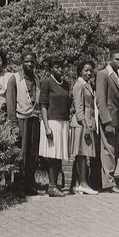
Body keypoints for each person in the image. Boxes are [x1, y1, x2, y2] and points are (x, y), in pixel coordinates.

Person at [5, 51, 41, 195]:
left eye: (32, 62)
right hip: (20, 119)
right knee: (21, 154)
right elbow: (10, 103)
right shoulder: (14, 79)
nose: (29, 64)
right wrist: (13, 124)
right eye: (27, 61)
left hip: (34, 119)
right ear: (22, 62)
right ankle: (18, 186)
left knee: (33, 153)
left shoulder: (37, 79)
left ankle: (29, 184)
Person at [94, 49, 119, 193]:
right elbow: (101, 101)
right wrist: (106, 122)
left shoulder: (117, 75)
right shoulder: (103, 74)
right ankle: (108, 183)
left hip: (116, 119)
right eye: (117, 59)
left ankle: (110, 179)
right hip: (108, 120)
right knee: (108, 151)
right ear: (110, 59)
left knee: (114, 151)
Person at [38, 58, 72, 197]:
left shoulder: (66, 84)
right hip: (51, 122)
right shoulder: (46, 82)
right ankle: (52, 187)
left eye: (61, 67)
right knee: (52, 156)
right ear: (51, 69)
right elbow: (43, 105)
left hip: (63, 123)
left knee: (59, 156)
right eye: (57, 67)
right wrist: (47, 127)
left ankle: (55, 185)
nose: (60, 70)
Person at [69, 61, 98, 195]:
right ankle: (83, 183)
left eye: (90, 71)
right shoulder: (78, 85)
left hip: (88, 123)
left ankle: (77, 184)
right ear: (80, 71)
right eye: (86, 70)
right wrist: (85, 126)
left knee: (83, 154)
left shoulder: (87, 85)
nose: (88, 73)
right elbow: (78, 108)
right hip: (81, 124)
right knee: (81, 155)